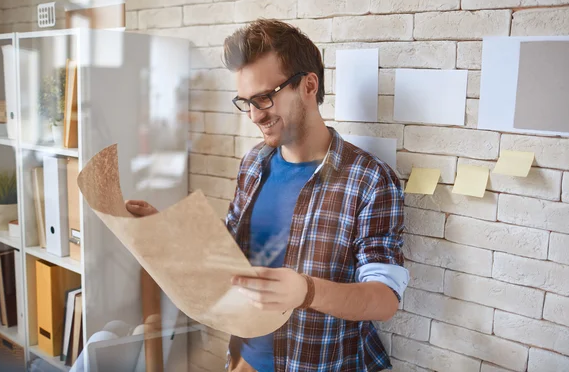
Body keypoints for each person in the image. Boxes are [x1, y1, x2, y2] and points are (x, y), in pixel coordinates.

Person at [126, 19, 409, 372]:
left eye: (264, 98)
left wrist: (307, 291)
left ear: (308, 85)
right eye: (246, 102)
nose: (256, 116)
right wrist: (169, 229)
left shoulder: (369, 180)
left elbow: (384, 299)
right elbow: (227, 252)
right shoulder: (253, 163)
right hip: (243, 361)